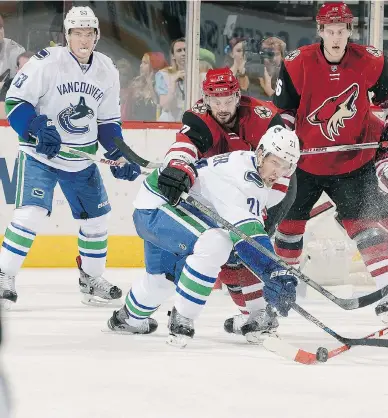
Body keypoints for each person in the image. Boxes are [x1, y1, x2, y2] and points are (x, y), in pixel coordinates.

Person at [272, 2, 388, 324]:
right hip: (305, 162)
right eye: (330, 31)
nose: (337, 37)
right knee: (289, 226)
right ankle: (286, 287)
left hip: (354, 160)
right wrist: (281, 141)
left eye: (342, 31)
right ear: (321, 31)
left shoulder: (369, 59)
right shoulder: (297, 63)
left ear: (349, 31)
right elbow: (283, 112)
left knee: (366, 225)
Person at [107, 68, 296, 343]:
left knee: (162, 279)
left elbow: (276, 171)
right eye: (215, 101)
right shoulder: (241, 170)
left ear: (238, 95)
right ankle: (190, 318)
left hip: (184, 205)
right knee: (222, 244)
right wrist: (179, 167)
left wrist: (271, 268)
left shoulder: (263, 127)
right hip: (169, 204)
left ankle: (128, 318)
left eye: (227, 100)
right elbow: (185, 146)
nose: (222, 107)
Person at [0, 6, 141, 308]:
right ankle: (3, 275)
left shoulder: (107, 69)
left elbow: (107, 122)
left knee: (98, 220)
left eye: (88, 32)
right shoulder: (47, 62)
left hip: (81, 160)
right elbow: (15, 101)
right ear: (66, 35)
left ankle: (90, 280)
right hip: (41, 155)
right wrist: (36, 128)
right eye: (77, 32)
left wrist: (119, 154)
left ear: (96, 35)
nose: (83, 39)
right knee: (31, 214)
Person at [155, 38, 186, 122]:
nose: (183, 53)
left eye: (185, 50)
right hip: (170, 121)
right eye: (179, 51)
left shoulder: (197, 75)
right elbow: (165, 106)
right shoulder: (163, 74)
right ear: (173, 56)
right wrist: (173, 83)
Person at [0, 51, 33, 118]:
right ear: (17, 69)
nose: (27, 72)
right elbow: (3, 106)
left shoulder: (45, 85)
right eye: (23, 68)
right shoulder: (9, 84)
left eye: (31, 68)